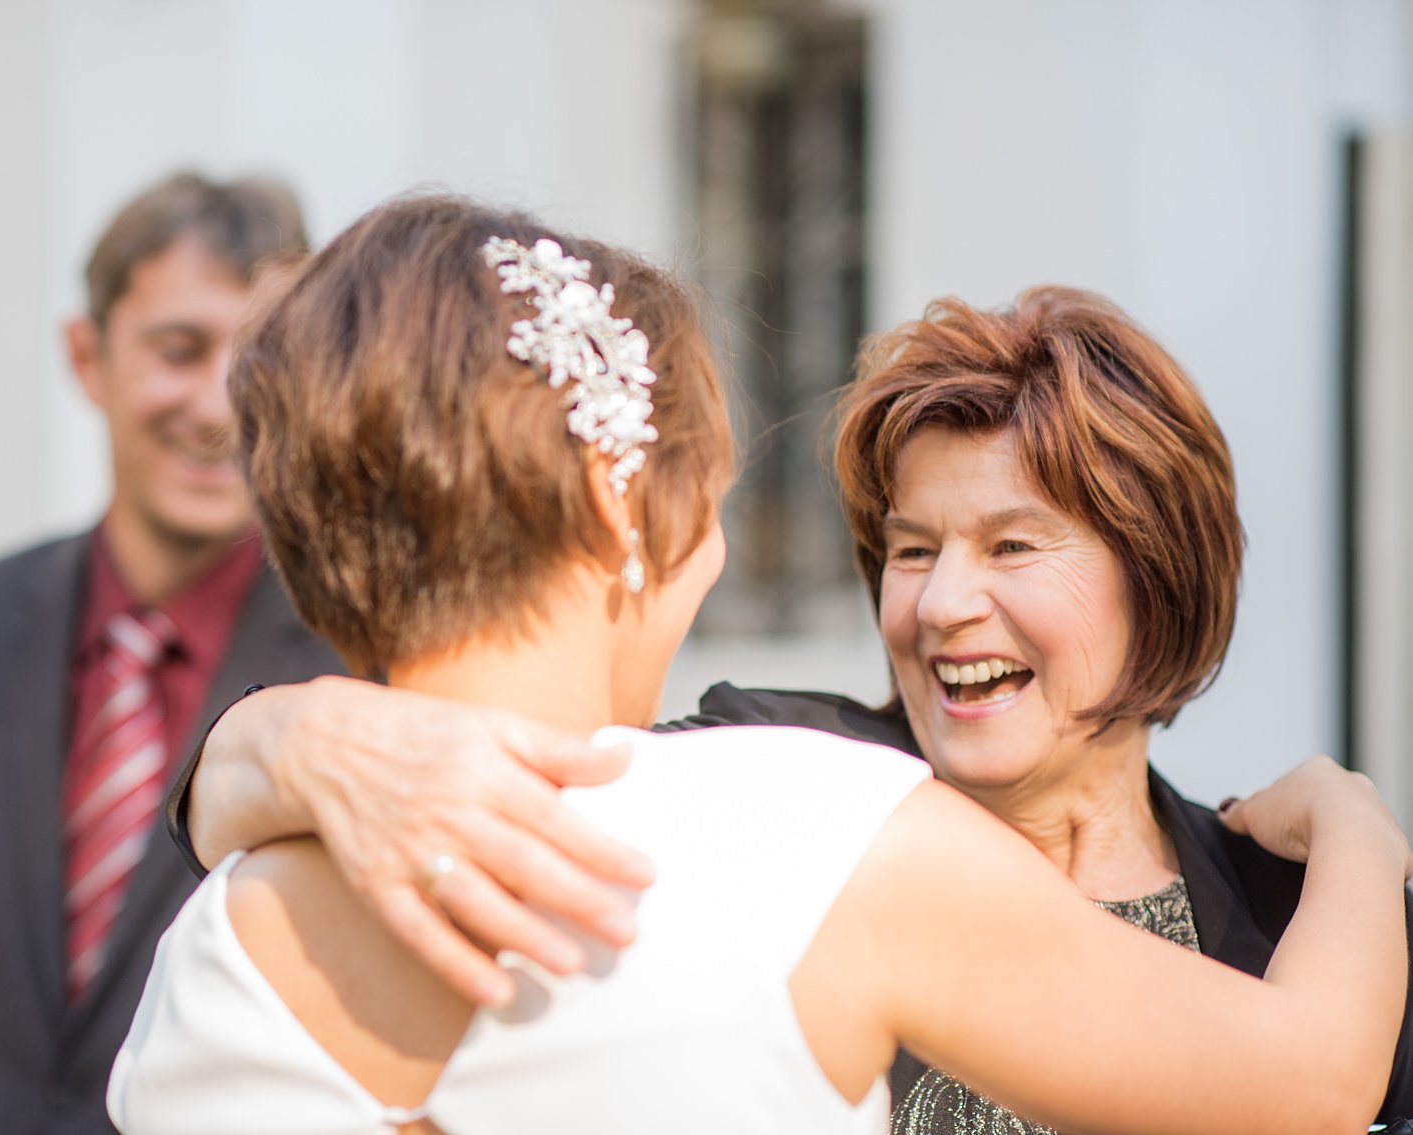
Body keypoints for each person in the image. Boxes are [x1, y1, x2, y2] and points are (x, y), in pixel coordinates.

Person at [110, 195, 1410, 1134]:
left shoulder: (209, 956)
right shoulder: (828, 826)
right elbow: (1308, 1077)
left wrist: (273, 737)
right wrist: (1358, 817)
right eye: (912, 547)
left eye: (1017, 543)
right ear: (625, 517)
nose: (950, 600)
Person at [0, 173, 345, 1135]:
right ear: (88, 357)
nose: (218, 403)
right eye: (179, 350)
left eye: (256, 356)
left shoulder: (360, 661)